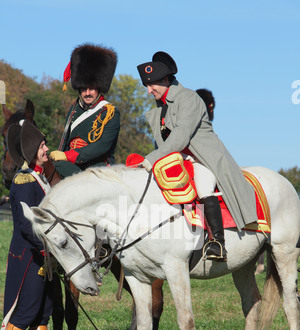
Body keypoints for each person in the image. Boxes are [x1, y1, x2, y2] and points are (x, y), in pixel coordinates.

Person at [137, 51, 257, 261]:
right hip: (178, 160)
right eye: (147, 86)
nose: (148, 90)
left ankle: (217, 243)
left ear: (166, 79)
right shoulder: (160, 108)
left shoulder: (188, 98)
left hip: (204, 159)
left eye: (152, 84)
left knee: (203, 188)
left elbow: (181, 136)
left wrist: (151, 158)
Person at [0, 120, 55, 330]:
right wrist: (45, 247)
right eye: (42, 146)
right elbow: (25, 224)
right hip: (29, 256)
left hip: (42, 255)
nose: (46, 149)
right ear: (33, 151)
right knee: (25, 310)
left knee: (43, 310)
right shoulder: (24, 180)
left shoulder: (39, 178)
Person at [50, 43, 120, 177]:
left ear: (99, 88)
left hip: (98, 167)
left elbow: (102, 146)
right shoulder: (74, 109)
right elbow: (65, 141)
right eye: (83, 88)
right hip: (71, 165)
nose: (87, 93)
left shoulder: (110, 112)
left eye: (91, 88)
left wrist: (67, 156)